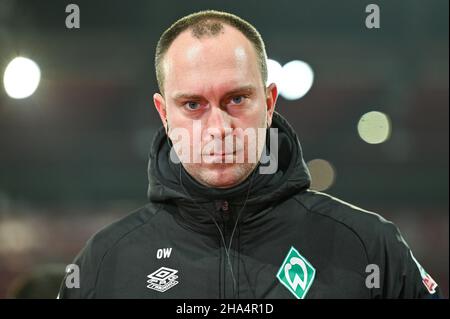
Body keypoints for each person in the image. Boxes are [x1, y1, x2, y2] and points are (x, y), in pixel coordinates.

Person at [58, 10, 440, 299]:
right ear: (164, 114)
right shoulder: (103, 264)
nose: (219, 128)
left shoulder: (369, 245)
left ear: (269, 102)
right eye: (192, 104)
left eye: (236, 99)